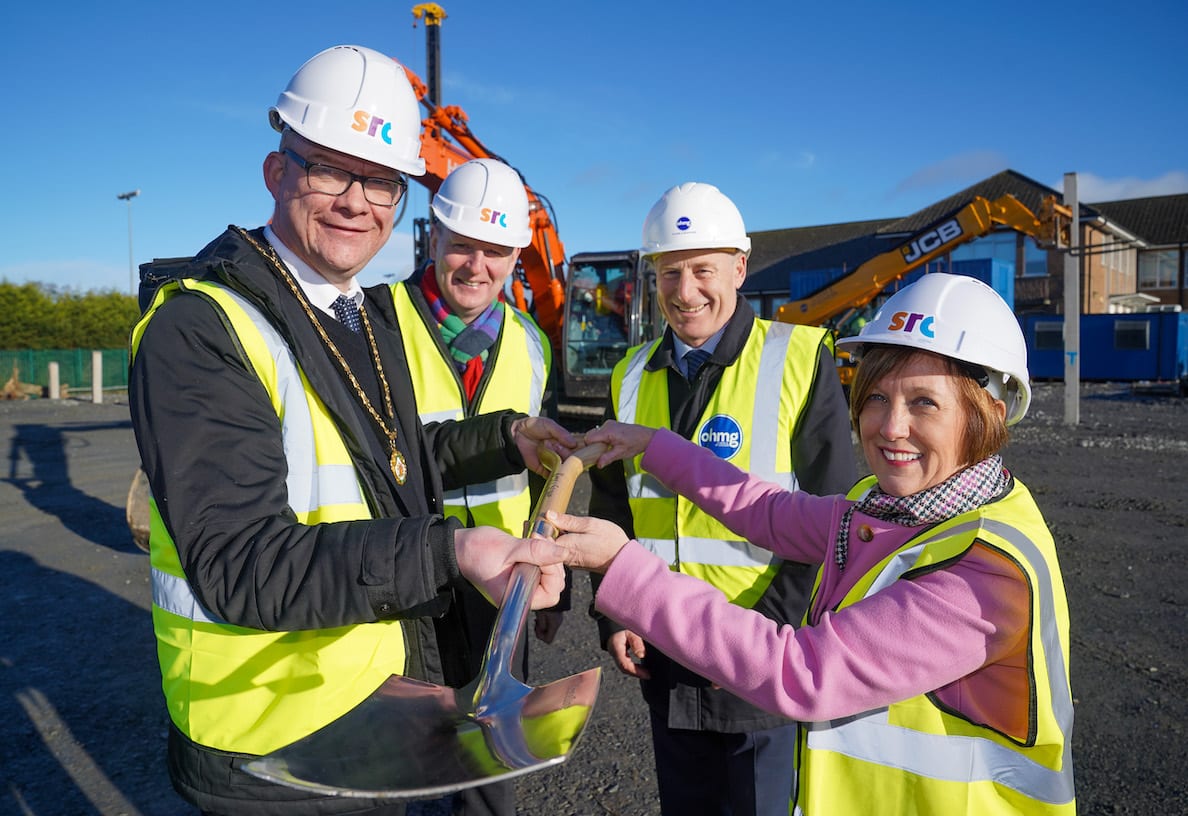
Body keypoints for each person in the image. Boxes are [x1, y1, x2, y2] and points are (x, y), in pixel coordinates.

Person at [128, 45, 573, 816]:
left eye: (379, 182)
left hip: (370, 704)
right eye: (329, 169)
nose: (355, 201)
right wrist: (453, 549)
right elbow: (241, 560)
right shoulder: (201, 326)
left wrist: (506, 437)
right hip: (270, 740)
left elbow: (392, 462)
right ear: (276, 172)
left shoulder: (356, 316)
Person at [549, 272, 1076, 815]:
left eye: (924, 402)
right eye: (875, 396)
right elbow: (769, 512)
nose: (891, 427)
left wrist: (622, 565)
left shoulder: (983, 572)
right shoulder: (900, 509)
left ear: (987, 412)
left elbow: (799, 673)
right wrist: (654, 444)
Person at [585, 182, 857, 815]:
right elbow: (612, 509)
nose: (686, 293)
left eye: (703, 270)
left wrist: (760, 635)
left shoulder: (798, 359)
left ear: (740, 266)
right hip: (663, 648)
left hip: (760, 655)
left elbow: (832, 515)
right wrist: (614, 615)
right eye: (670, 273)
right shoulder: (628, 377)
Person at [390, 158, 563, 816]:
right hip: (406, 585)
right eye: (462, 244)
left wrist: (553, 590)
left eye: (494, 250)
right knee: (412, 766)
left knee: (493, 769)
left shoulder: (531, 342)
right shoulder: (376, 326)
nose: (476, 265)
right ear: (432, 238)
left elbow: (543, 480)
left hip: (503, 593)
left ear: (517, 254)